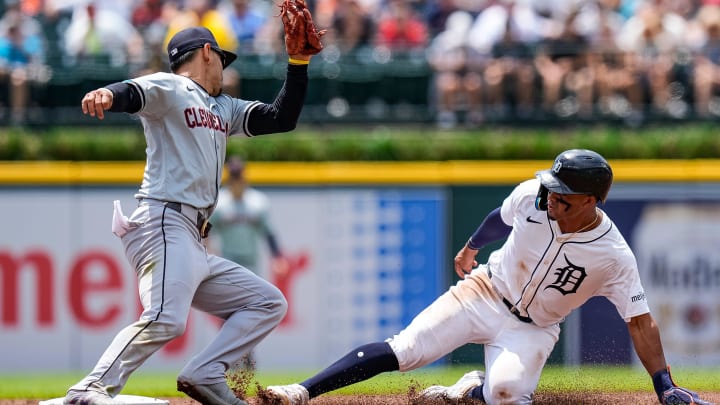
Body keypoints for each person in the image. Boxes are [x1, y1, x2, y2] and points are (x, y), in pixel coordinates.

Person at [263, 149, 712, 405]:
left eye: (562, 195)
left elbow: (640, 320)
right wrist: (471, 247)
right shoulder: (535, 199)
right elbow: (501, 216)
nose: (550, 198)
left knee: (506, 395)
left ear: (591, 200)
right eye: (550, 189)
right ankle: (301, 392)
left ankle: (472, 390)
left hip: (533, 329)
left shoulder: (614, 256)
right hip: (483, 291)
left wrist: (665, 386)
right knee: (407, 349)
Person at [64, 25, 314, 405]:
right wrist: (106, 94)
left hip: (192, 238)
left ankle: (206, 372)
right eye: (223, 61)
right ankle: (90, 388)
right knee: (166, 316)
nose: (225, 72)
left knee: (268, 303)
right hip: (163, 220)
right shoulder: (170, 87)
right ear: (207, 53)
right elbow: (132, 93)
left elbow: (282, 118)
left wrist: (298, 63)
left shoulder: (223, 107)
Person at [210, 157, 289, 280]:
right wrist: (208, 253)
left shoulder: (258, 202)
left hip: (251, 262)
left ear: (244, 178)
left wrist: (277, 256)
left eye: (239, 177)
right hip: (227, 261)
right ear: (229, 179)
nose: (237, 181)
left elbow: (268, 232)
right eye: (234, 177)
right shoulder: (219, 202)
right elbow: (207, 232)